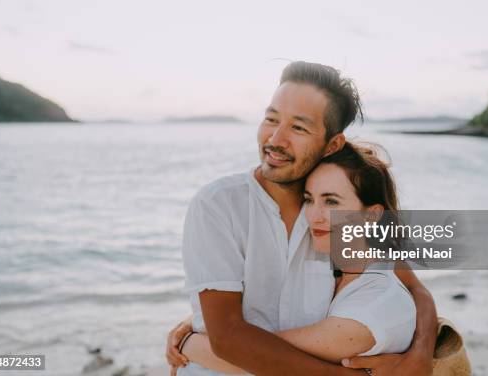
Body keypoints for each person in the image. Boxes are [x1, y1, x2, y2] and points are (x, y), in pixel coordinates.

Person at [166, 61, 437, 375]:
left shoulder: (335, 219)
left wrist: (421, 354)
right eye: (271, 119)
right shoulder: (218, 205)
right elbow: (226, 337)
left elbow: (413, 289)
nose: (275, 140)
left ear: (332, 144)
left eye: (298, 127)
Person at [172, 142, 418, 373]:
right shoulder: (334, 268)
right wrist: (199, 318)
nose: (314, 216)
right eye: (309, 199)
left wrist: (189, 343)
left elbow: (249, 356)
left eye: (332, 201)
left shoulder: (372, 310)